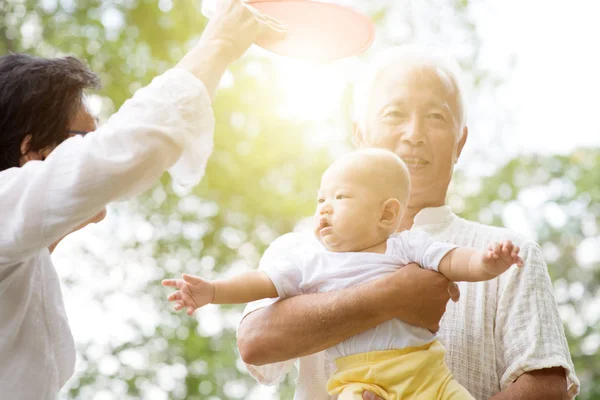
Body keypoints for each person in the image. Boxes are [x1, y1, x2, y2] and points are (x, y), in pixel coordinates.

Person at [236, 46, 579, 400]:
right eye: (394, 114)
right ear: (360, 135)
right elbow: (256, 342)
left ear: (460, 142)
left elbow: (547, 388)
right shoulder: (299, 249)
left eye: (436, 117)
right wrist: (390, 297)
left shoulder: (509, 256)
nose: (414, 133)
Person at [0, 1, 286, 398]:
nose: (93, 151)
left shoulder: (27, 266)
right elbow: (129, 148)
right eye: (83, 140)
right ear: (33, 152)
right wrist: (218, 43)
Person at [163, 148, 524, 399]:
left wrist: (487, 264)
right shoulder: (312, 260)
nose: (324, 208)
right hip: (360, 379)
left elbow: (453, 260)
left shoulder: (406, 246)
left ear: (385, 215)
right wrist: (212, 291)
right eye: (321, 199)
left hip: (429, 375)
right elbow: (261, 282)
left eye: (341, 198)